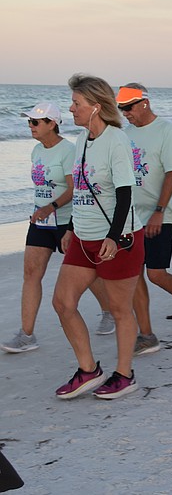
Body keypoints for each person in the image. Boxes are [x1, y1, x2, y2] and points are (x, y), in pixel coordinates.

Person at [52, 73, 145, 400]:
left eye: (76, 103)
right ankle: (88, 370)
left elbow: (125, 193)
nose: (71, 109)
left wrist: (114, 238)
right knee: (63, 302)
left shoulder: (116, 140)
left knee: (120, 309)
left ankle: (125, 375)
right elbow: (81, 189)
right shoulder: (82, 140)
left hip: (118, 240)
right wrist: (69, 227)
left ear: (95, 106)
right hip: (82, 237)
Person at [116, 84, 172, 356]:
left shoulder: (167, 130)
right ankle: (146, 335)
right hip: (130, 216)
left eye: (129, 107)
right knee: (133, 274)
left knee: (156, 274)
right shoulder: (125, 134)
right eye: (121, 109)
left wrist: (159, 211)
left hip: (160, 214)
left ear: (144, 103)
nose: (125, 113)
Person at [2, 103, 102, 353]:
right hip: (41, 222)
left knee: (84, 274)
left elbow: (75, 188)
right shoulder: (36, 150)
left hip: (67, 221)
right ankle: (26, 335)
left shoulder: (68, 151)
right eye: (29, 122)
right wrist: (42, 209)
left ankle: (110, 310)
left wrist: (52, 207)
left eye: (35, 122)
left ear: (52, 124)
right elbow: (42, 187)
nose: (30, 126)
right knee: (30, 273)